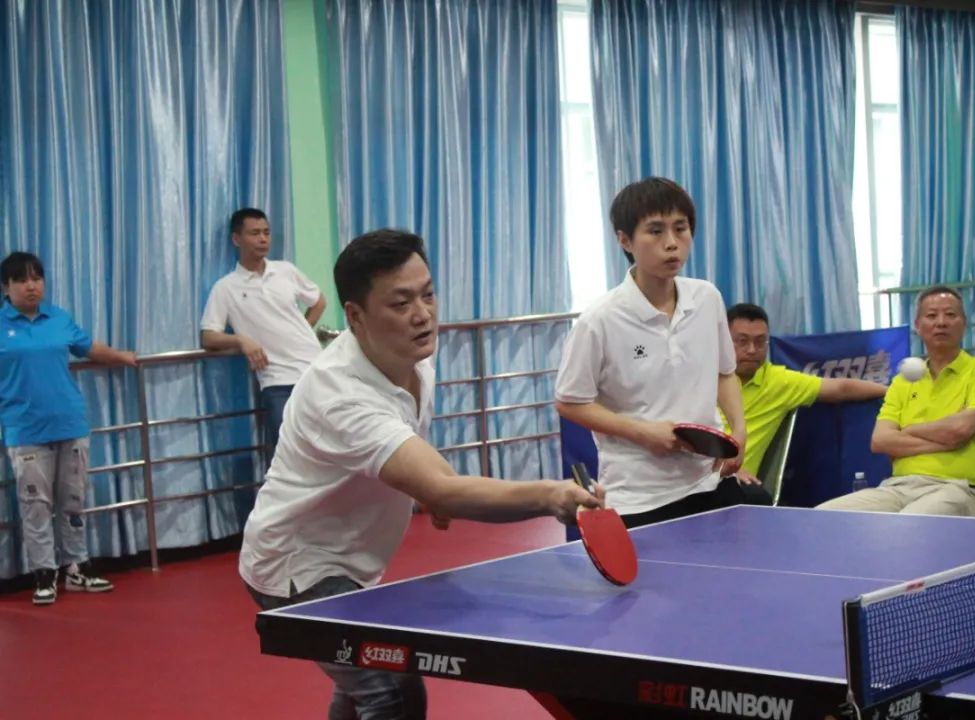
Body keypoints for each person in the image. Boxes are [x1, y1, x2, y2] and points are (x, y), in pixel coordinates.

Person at [239, 229, 600, 720]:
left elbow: (419, 459)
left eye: (428, 294)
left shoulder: (412, 358)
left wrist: (432, 490)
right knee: (390, 689)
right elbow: (441, 486)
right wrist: (551, 495)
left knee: (359, 689)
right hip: (297, 568)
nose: (423, 313)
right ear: (355, 316)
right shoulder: (339, 394)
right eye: (401, 302)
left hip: (350, 559)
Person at [554, 177, 754, 530]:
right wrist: (642, 432)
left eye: (681, 228)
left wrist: (739, 429)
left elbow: (724, 373)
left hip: (708, 482)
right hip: (638, 497)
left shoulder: (707, 298)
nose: (672, 243)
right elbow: (570, 402)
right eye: (656, 231)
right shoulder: (599, 320)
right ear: (625, 240)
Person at [0, 252, 138, 605]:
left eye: (36, 278)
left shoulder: (59, 318)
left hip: (70, 423)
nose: (31, 286)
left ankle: (76, 567)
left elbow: (88, 347)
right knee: (35, 506)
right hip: (25, 430)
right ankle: (44, 573)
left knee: (73, 502)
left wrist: (123, 356)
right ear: (6, 288)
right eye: (21, 280)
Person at [817, 286, 975, 516]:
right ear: (918, 326)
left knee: (909, 524)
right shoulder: (902, 381)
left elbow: (960, 429)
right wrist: (948, 442)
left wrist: (909, 431)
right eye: (931, 315)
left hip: (959, 488)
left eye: (950, 315)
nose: (941, 322)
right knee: (823, 516)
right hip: (898, 487)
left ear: (964, 323)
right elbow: (880, 441)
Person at [200, 208, 327, 462]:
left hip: (316, 370)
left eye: (266, 233)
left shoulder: (285, 271)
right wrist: (241, 340)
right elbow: (208, 336)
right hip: (277, 379)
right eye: (255, 233)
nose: (263, 239)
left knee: (330, 445)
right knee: (288, 455)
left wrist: (302, 329)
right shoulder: (226, 288)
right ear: (237, 239)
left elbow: (318, 301)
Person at [723, 303, 887, 487]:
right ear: (724, 340)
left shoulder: (780, 382)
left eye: (760, 342)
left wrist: (892, 392)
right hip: (701, 474)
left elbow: (841, 388)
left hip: (735, 485)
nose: (752, 350)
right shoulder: (705, 379)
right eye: (742, 341)